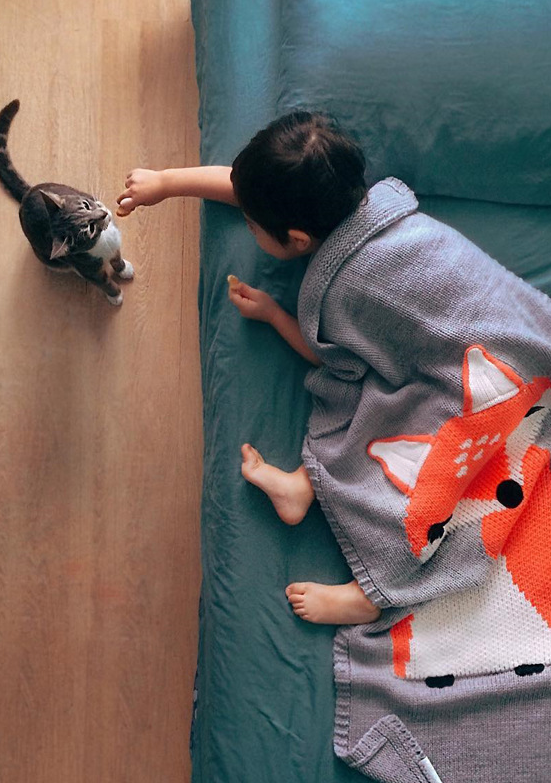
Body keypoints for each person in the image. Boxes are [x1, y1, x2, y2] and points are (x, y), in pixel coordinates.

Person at [117, 112, 382, 625]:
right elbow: (248, 189)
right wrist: (166, 183)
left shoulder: (346, 291)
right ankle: (303, 485)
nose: (248, 224)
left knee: (396, 437)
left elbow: (331, 358)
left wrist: (276, 316)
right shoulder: (344, 196)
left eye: (253, 226)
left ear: (297, 240)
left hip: (445, 372)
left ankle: (373, 592)